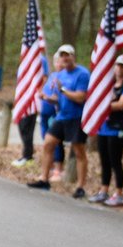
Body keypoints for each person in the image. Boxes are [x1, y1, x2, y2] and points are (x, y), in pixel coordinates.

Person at [31, 45, 90, 194]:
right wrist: (48, 98)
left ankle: (80, 186)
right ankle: (44, 179)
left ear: (73, 56)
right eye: (62, 56)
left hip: (77, 117)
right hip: (62, 116)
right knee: (48, 144)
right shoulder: (60, 74)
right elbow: (59, 97)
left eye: (68, 55)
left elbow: (80, 97)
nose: (65, 58)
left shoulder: (82, 74)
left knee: (79, 151)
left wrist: (63, 89)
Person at [93, 53, 123, 205]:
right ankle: (104, 190)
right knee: (104, 160)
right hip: (104, 127)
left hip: (118, 128)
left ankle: (119, 193)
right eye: (118, 65)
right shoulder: (108, 85)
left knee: (115, 159)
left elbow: (122, 104)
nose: (119, 69)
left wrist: (103, 105)